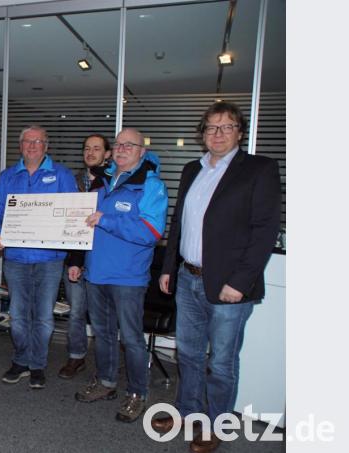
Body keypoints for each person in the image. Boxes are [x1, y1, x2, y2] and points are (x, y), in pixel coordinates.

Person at [152, 101, 280, 453]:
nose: (218, 134)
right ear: (202, 134)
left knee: (221, 361)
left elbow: (264, 230)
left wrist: (239, 282)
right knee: (189, 353)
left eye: (226, 127)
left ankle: (217, 422)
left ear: (239, 131)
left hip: (229, 286)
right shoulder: (193, 169)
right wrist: (167, 267)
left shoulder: (259, 169)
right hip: (187, 278)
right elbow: (180, 223)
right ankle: (187, 411)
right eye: (211, 127)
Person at [73, 127, 168, 423]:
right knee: (102, 334)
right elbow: (82, 223)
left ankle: (137, 393)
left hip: (128, 278)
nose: (123, 148)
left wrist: (108, 220)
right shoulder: (100, 182)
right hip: (96, 273)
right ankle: (106, 383)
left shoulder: (151, 185)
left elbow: (152, 232)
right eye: (119, 144)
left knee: (131, 338)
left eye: (131, 144)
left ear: (142, 151)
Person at [0, 125, 80, 389]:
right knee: (17, 315)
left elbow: (72, 213)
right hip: (16, 258)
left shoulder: (61, 175)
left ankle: (37, 364)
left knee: (42, 317)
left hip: (49, 259)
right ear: (20, 146)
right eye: (27, 141)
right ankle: (21, 360)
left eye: (38, 141)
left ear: (46, 146)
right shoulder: (8, 177)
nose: (32, 146)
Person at [58, 134, 111, 380]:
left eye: (97, 148)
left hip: (104, 258)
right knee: (77, 310)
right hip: (75, 257)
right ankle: (76, 356)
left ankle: (107, 364)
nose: (90, 152)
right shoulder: (72, 180)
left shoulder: (114, 181)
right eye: (87, 148)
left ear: (107, 154)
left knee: (105, 315)